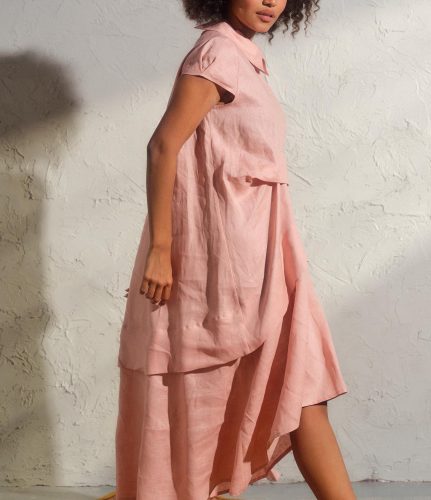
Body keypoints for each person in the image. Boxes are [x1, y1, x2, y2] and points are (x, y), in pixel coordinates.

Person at [105, 1, 357, 499]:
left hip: (262, 256)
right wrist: (160, 249)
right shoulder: (217, 53)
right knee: (296, 389)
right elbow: (163, 146)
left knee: (304, 390)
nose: (270, 1)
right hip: (226, 262)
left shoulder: (243, 57)